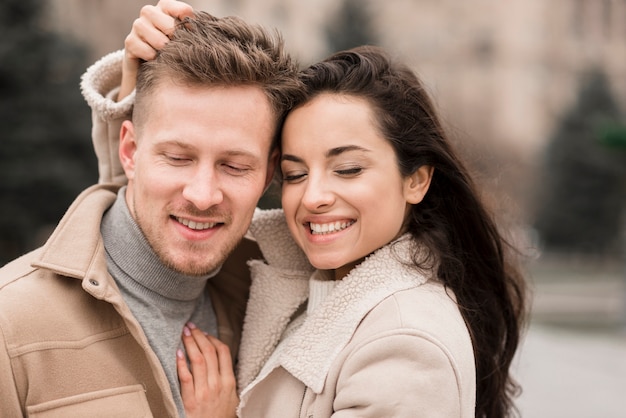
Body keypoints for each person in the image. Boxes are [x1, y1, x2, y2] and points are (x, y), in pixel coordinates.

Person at [88, 6, 528, 416]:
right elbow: (155, 216)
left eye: (348, 168)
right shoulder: (297, 277)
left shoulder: (405, 342)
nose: (314, 196)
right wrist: (138, 94)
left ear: (416, 180)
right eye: (296, 174)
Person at [0, 2, 301, 416]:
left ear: (268, 175)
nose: (202, 194)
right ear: (129, 151)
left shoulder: (276, 307)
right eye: (177, 158)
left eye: (234, 166)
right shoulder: (10, 324)